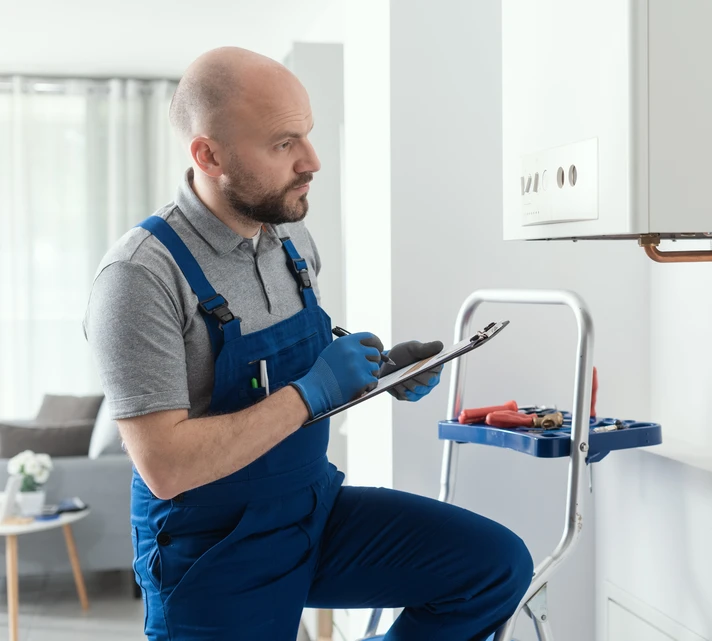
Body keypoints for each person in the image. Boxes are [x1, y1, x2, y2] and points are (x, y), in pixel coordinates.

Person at [83, 47, 533, 641]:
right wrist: (311, 392)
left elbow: (287, 382)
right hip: (212, 553)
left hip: (310, 507)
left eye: (308, 135)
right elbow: (165, 466)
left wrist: (378, 375)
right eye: (282, 144)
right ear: (208, 155)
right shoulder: (140, 277)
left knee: (493, 567)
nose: (312, 161)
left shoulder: (290, 239)